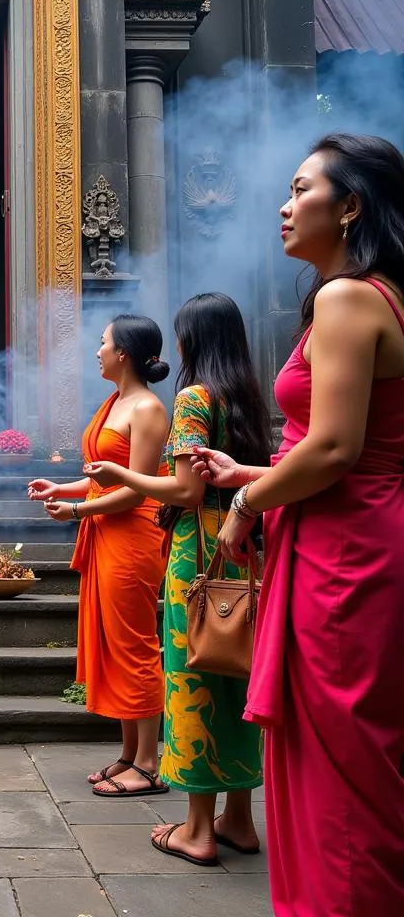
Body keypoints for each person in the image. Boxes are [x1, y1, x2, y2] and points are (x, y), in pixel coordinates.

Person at [196, 134, 404, 914]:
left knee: (343, 767)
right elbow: (349, 445)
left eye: (302, 189)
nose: (283, 206)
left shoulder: (351, 297)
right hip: (339, 532)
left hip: (345, 552)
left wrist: (247, 504)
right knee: (334, 756)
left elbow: (337, 448)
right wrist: (251, 474)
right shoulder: (364, 295)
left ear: (350, 207)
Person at [83, 294, 270, 866]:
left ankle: (197, 829)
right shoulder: (246, 398)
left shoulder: (192, 398)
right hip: (242, 550)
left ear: (191, 341)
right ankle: (238, 819)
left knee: (191, 678)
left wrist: (121, 473)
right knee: (236, 676)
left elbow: (186, 490)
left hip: (197, 549)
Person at [28, 315, 170, 797]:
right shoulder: (116, 401)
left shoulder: (147, 408)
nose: (98, 350)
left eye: (104, 343)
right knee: (113, 642)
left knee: (134, 643)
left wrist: (75, 509)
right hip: (105, 528)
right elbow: (105, 475)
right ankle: (129, 753)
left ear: (124, 353)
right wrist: (63, 487)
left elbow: (135, 490)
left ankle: (150, 763)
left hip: (132, 534)